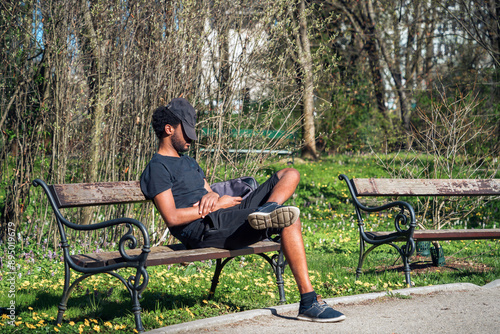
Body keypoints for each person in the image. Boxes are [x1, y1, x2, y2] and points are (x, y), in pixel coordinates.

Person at [140, 97, 345, 323]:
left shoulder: (188, 161)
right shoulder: (157, 167)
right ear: (169, 129)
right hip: (204, 228)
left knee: (289, 174)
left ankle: (269, 208)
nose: (191, 138)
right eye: (186, 132)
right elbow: (172, 218)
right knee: (289, 220)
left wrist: (213, 195)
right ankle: (308, 302)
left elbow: (208, 191)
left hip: (222, 214)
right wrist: (215, 205)